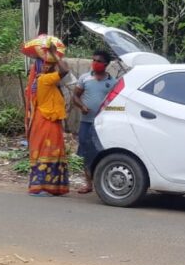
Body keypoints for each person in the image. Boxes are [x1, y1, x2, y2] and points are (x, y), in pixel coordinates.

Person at [72, 50, 117, 193]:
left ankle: (102, 182)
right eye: (93, 60)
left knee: (101, 151)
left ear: (106, 64)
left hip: (103, 124)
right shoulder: (85, 78)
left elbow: (115, 102)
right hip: (86, 122)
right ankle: (88, 184)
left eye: (98, 61)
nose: (95, 63)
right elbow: (75, 96)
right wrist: (82, 106)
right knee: (85, 151)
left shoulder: (113, 83)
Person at [25, 57, 71, 196]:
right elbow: (65, 71)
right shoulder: (45, 80)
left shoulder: (41, 81)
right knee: (48, 152)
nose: (52, 66)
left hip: (44, 120)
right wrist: (55, 56)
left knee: (48, 151)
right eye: (49, 64)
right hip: (46, 122)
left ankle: (48, 186)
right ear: (43, 67)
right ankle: (43, 187)